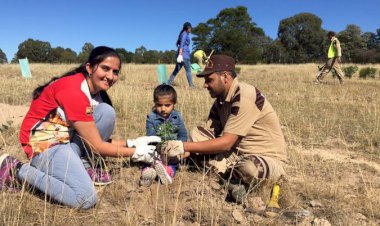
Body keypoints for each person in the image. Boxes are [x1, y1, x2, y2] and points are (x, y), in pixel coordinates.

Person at [0, 46, 160, 209]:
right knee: (85, 198)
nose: (110, 76)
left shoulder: (97, 94)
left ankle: (83, 164)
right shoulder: (74, 91)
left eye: (115, 71)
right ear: (89, 67)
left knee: (106, 112)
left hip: (64, 139)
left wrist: (132, 142)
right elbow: (97, 147)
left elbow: (93, 138)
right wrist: (136, 153)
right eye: (105, 68)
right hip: (42, 145)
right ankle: (16, 169)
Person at [160, 55, 287, 204]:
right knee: (196, 133)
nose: (205, 85)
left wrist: (181, 147)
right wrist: (179, 153)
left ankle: (231, 176)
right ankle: (231, 179)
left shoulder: (244, 95)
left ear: (225, 77)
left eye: (209, 80)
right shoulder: (219, 102)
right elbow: (209, 136)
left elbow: (226, 142)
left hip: (265, 157)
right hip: (235, 154)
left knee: (249, 168)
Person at [140, 84, 188, 186]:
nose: (163, 109)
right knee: (149, 158)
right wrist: (160, 150)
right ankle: (147, 174)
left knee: (174, 163)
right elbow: (151, 137)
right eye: (159, 105)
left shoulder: (177, 117)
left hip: (173, 149)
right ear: (155, 103)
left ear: (174, 104)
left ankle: (168, 173)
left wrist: (178, 149)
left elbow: (183, 135)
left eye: (167, 105)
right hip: (157, 148)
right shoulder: (151, 117)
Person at [167, 22, 195, 87]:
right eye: (190, 28)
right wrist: (180, 54)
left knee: (176, 70)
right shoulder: (185, 34)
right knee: (188, 70)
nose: (191, 29)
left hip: (182, 55)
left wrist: (179, 55)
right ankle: (191, 85)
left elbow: (180, 44)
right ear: (187, 28)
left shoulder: (183, 34)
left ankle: (168, 83)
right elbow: (182, 44)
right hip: (184, 55)